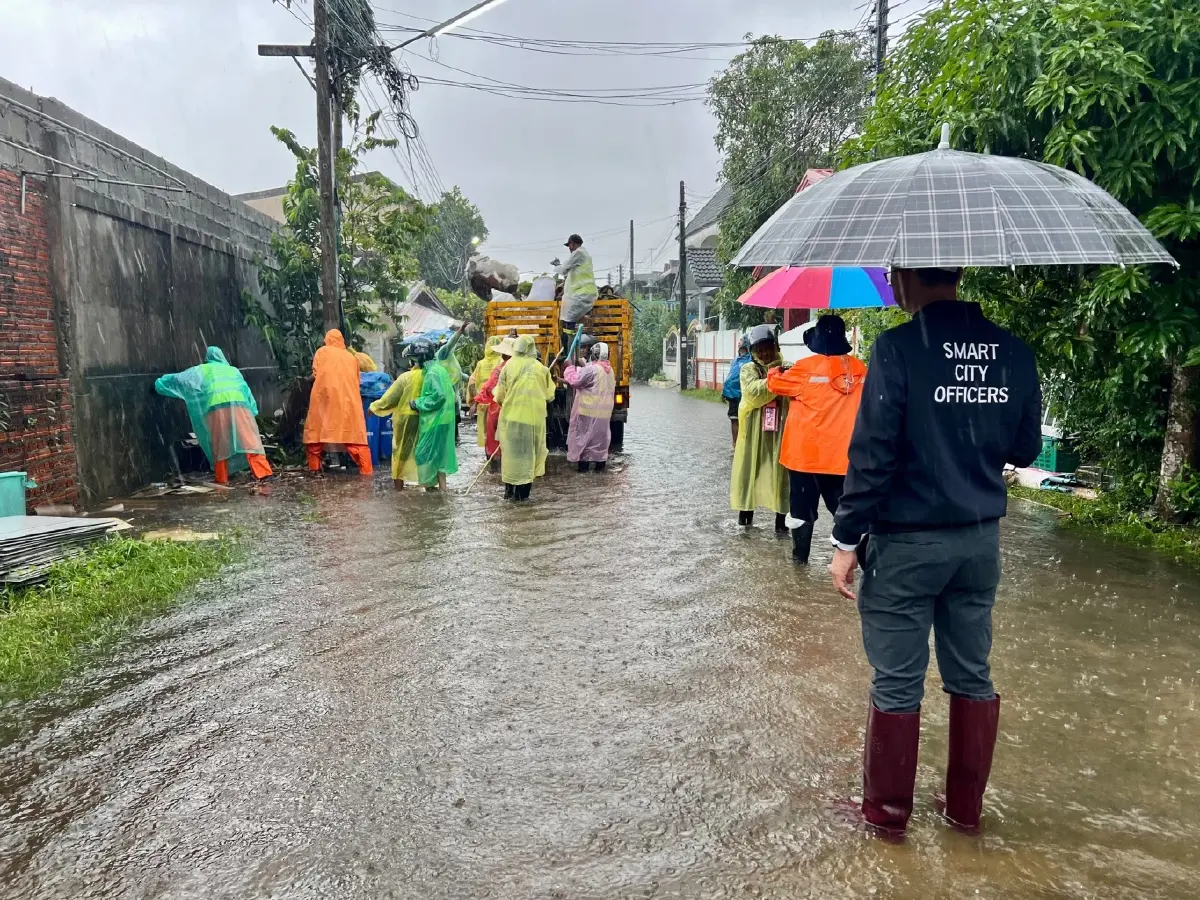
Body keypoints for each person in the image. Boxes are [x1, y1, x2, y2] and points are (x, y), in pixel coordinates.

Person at [828, 267, 1042, 840]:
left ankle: (886, 819)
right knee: (973, 676)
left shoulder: (898, 348)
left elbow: (872, 455)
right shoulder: (1014, 351)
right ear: (959, 271)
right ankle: (964, 815)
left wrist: (845, 540)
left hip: (907, 543)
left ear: (902, 281)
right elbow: (1025, 447)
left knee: (898, 680)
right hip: (979, 541)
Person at [766, 315, 867, 563]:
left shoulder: (805, 368)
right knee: (847, 513)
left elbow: (774, 385)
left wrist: (775, 370)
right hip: (844, 460)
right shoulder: (860, 369)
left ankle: (799, 568)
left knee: (801, 514)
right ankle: (867, 566)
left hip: (805, 459)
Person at [154, 346, 273, 484]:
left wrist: (159, 384)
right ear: (222, 357)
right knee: (249, 441)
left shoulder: (201, 370)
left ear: (207, 359)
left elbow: (180, 379)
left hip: (215, 407)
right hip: (239, 404)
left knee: (219, 445)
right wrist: (253, 410)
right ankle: (263, 473)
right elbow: (245, 390)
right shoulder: (233, 370)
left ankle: (222, 479)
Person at [730, 324, 789, 533]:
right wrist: (776, 378)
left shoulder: (789, 367)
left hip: (781, 432)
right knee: (749, 473)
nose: (764, 353)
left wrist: (781, 376)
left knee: (782, 477)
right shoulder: (748, 370)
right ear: (753, 352)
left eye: (768, 347)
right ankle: (745, 525)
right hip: (753, 432)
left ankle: (782, 528)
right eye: (759, 349)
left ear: (775, 347)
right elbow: (754, 393)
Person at [303, 329, 373, 475]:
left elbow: (316, 373)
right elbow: (357, 380)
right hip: (348, 402)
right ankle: (367, 474)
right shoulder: (351, 358)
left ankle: (314, 471)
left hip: (324, 399)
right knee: (355, 439)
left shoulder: (322, 352)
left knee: (315, 436)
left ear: (327, 340)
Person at [495, 334, 555, 501]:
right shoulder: (542, 369)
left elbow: (499, 396)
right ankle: (522, 499)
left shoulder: (508, 366)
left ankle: (508, 494)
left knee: (510, 457)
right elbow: (550, 396)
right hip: (533, 422)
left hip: (511, 420)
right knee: (528, 459)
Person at [368, 342, 428, 490]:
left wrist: (374, 407)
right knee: (424, 451)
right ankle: (427, 485)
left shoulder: (405, 377)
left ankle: (399, 488)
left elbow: (390, 398)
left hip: (406, 418)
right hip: (426, 417)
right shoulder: (431, 375)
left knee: (400, 452)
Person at [410, 341, 460, 492]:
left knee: (424, 455)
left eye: (415, 358)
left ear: (422, 356)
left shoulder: (432, 373)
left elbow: (439, 396)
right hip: (444, 420)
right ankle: (443, 492)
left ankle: (430, 492)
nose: (414, 362)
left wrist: (418, 403)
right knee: (438, 456)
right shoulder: (439, 369)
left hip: (434, 421)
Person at [563, 341, 616, 472]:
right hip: (603, 415)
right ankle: (600, 474)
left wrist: (569, 367)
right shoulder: (610, 371)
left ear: (594, 354)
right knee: (600, 443)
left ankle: (583, 473)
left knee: (584, 442)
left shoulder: (591, 369)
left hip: (587, 413)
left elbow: (576, 381)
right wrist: (583, 366)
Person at [474, 337, 515, 470]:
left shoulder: (500, 368)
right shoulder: (522, 367)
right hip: (517, 409)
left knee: (493, 438)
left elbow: (488, 387)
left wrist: (477, 401)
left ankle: (495, 469)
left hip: (497, 407)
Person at [553, 234, 598, 346]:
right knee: (568, 320)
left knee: (569, 321)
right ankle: (569, 348)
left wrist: (557, 266)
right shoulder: (583, 255)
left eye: (569, 245)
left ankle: (569, 351)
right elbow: (568, 274)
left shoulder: (578, 253)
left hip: (581, 294)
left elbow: (564, 269)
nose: (569, 248)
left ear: (572, 243)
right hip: (582, 293)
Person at [467, 336, 504, 437]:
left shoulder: (481, 363)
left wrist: (474, 401)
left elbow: (472, 382)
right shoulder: (501, 362)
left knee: (485, 432)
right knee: (496, 432)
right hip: (496, 402)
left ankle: (488, 451)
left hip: (482, 401)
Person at [722, 336, 752, 446]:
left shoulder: (751, 359)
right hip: (732, 394)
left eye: (741, 340)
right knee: (734, 419)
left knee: (746, 419)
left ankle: (745, 443)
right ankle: (735, 444)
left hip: (745, 394)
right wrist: (724, 391)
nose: (739, 343)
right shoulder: (735, 360)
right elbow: (730, 376)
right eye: (739, 341)